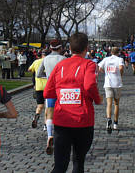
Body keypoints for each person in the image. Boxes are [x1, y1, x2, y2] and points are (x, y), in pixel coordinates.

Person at [44, 33, 102, 173]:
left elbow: (47, 93)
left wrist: (62, 95)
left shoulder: (60, 65)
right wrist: (97, 99)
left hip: (62, 120)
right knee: (78, 161)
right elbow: (89, 85)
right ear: (86, 48)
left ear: (69, 48)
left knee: (60, 165)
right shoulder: (89, 64)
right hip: (83, 120)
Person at [37, 39, 67, 155]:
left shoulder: (46, 59)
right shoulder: (64, 59)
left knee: (49, 111)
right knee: (63, 111)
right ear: (60, 48)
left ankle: (50, 134)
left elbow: (39, 74)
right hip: (61, 88)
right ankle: (61, 134)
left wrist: (48, 76)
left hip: (50, 86)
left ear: (50, 48)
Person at [98, 47, 124, 133]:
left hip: (108, 84)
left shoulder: (106, 59)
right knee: (116, 104)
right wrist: (119, 74)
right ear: (118, 52)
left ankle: (108, 119)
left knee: (109, 104)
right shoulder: (120, 59)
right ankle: (115, 123)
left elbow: (99, 68)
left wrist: (106, 72)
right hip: (117, 84)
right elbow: (121, 68)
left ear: (111, 52)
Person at [29, 51, 48, 129]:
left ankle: (36, 115)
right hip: (48, 87)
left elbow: (29, 69)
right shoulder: (49, 62)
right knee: (48, 107)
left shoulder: (36, 62)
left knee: (40, 105)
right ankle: (45, 125)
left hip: (39, 86)